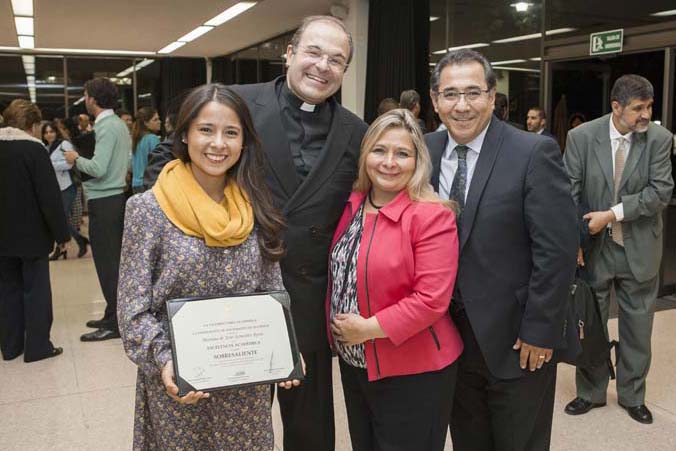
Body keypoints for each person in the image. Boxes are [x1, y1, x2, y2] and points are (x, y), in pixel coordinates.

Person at [143, 15, 368, 451]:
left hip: (308, 302)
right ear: (289, 54)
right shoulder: (237, 104)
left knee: (311, 431)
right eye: (313, 52)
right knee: (232, 429)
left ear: (345, 71)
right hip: (232, 301)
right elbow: (167, 159)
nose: (322, 66)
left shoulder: (355, 132)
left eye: (336, 60)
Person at [118, 83, 301, 450]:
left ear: (244, 141)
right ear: (184, 134)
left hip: (244, 392)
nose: (218, 143)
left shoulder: (255, 206)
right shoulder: (148, 210)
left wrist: (283, 348)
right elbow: (132, 309)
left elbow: (271, 293)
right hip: (180, 385)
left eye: (231, 133)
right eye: (206, 130)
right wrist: (167, 362)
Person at [426, 49, 579, 450]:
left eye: (473, 92)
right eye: (450, 94)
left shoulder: (532, 152)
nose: (462, 105)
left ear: (493, 97)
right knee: (468, 439)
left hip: (516, 338)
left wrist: (540, 331)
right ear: (435, 100)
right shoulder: (423, 151)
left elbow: (557, 251)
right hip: (447, 338)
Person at [328, 109, 462, 451]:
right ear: (365, 155)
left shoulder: (431, 215)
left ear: (417, 161)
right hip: (356, 363)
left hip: (414, 370)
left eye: (402, 153)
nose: (389, 162)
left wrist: (368, 329)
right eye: (379, 150)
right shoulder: (352, 205)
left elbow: (432, 300)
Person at [563, 74, 674, 425]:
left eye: (649, 107)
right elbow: (567, 192)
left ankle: (632, 394)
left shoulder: (659, 139)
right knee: (591, 323)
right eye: (638, 108)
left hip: (638, 248)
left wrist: (612, 213)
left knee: (638, 326)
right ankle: (590, 392)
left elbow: (660, 193)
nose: (646, 114)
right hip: (594, 248)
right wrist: (573, 242)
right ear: (616, 107)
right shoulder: (581, 137)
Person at [0, 99, 69, 362]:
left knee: (7, 290)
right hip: (32, 236)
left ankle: (10, 346)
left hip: (2, 237)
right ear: (31, 124)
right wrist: (62, 236)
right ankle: (38, 346)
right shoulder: (34, 150)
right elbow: (48, 198)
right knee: (36, 290)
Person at [64, 77, 131, 342]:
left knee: (108, 266)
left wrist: (75, 159)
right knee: (112, 263)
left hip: (105, 202)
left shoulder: (105, 126)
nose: (85, 100)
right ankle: (111, 313)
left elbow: (98, 168)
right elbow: (124, 164)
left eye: (85, 95)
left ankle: (115, 324)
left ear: (93, 98)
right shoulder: (119, 125)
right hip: (115, 200)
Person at [41, 122, 89, 259]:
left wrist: (51, 165)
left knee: (61, 218)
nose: (49, 134)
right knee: (60, 219)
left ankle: (63, 247)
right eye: (46, 132)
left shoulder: (64, 145)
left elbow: (70, 163)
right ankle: (77, 242)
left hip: (67, 186)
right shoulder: (44, 147)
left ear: (56, 132)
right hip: (54, 188)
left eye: (51, 131)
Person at [130, 107, 161, 194]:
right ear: (146, 123)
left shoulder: (136, 139)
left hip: (135, 184)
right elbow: (158, 162)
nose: (159, 122)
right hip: (148, 183)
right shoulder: (153, 138)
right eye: (155, 120)